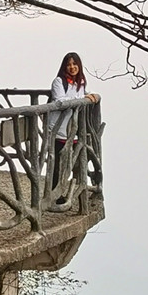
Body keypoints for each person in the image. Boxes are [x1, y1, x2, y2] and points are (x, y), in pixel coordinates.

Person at [49, 52, 98, 193]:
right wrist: (83, 98)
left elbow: (79, 94)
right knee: (57, 164)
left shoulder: (80, 82)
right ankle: (54, 195)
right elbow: (60, 100)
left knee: (70, 163)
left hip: (72, 130)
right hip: (58, 129)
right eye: (69, 64)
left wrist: (89, 95)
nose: (72, 67)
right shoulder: (59, 81)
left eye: (74, 64)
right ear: (64, 66)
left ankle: (69, 191)